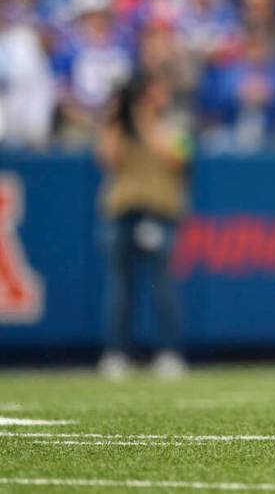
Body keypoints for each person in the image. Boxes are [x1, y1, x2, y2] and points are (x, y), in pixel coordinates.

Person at [96, 71, 191, 380]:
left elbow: (181, 157)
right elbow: (107, 159)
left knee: (163, 285)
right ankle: (117, 352)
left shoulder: (174, 122)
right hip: (124, 207)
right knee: (120, 286)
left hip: (160, 208)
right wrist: (117, 119)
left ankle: (168, 351)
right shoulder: (120, 124)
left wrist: (147, 124)